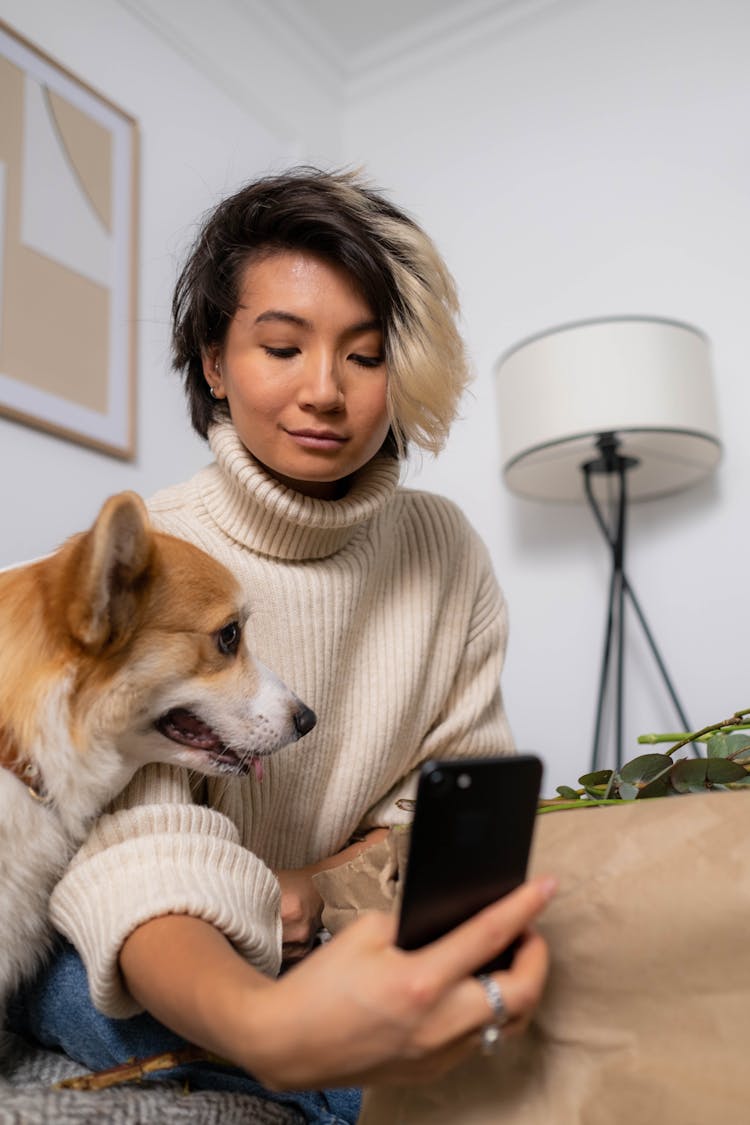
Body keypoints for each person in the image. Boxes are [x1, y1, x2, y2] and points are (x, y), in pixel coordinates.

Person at [8, 168, 556, 1124]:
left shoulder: (446, 553)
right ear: (216, 363)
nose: (325, 391)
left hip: (340, 931)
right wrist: (269, 1024)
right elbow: (139, 855)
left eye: (367, 352)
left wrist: (308, 887)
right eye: (281, 346)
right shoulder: (164, 558)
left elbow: (452, 813)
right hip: (159, 953)